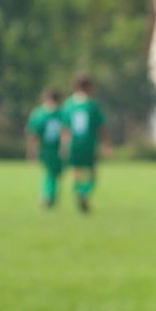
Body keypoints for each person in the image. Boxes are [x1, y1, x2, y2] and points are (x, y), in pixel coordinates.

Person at [62, 74, 105, 214]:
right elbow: (100, 127)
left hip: (73, 144)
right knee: (92, 172)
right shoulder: (91, 105)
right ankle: (85, 192)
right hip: (88, 143)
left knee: (75, 171)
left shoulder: (68, 104)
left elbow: (65, 128)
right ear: (88, 87)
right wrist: (105, 144)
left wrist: (63, 145)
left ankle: (78, 191)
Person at [25, 87, 66, 209]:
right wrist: (65, 147)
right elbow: (65, 132)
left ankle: (48, 196)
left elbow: (33, 134)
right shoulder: (62, 113)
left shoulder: (39, 113)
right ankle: (48, 196)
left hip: (44, 148)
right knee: (53, 173)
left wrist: (31, 151)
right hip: (57, 148)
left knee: (51, 172)